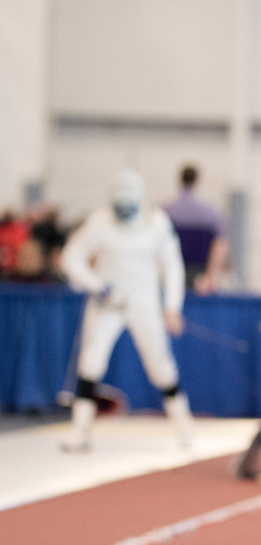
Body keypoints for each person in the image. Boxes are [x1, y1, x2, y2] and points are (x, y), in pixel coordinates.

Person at [59, 169, 193, 452]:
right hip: (109, 304)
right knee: (91, 362)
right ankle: (80, 432)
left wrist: (172, 307)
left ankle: (184, 431)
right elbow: (71, 257)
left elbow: (172, 267)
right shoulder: (100, 223)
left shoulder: (157, 223)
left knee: (161, 367)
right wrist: (97, 284)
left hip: (145, 303)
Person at [163, 163, 229, 294]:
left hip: (172, 271)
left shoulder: (165, 211)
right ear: (197, 181)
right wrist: (211, 277)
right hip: (199, 275)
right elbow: (220, 245)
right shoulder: (210, 212)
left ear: (180, 180)